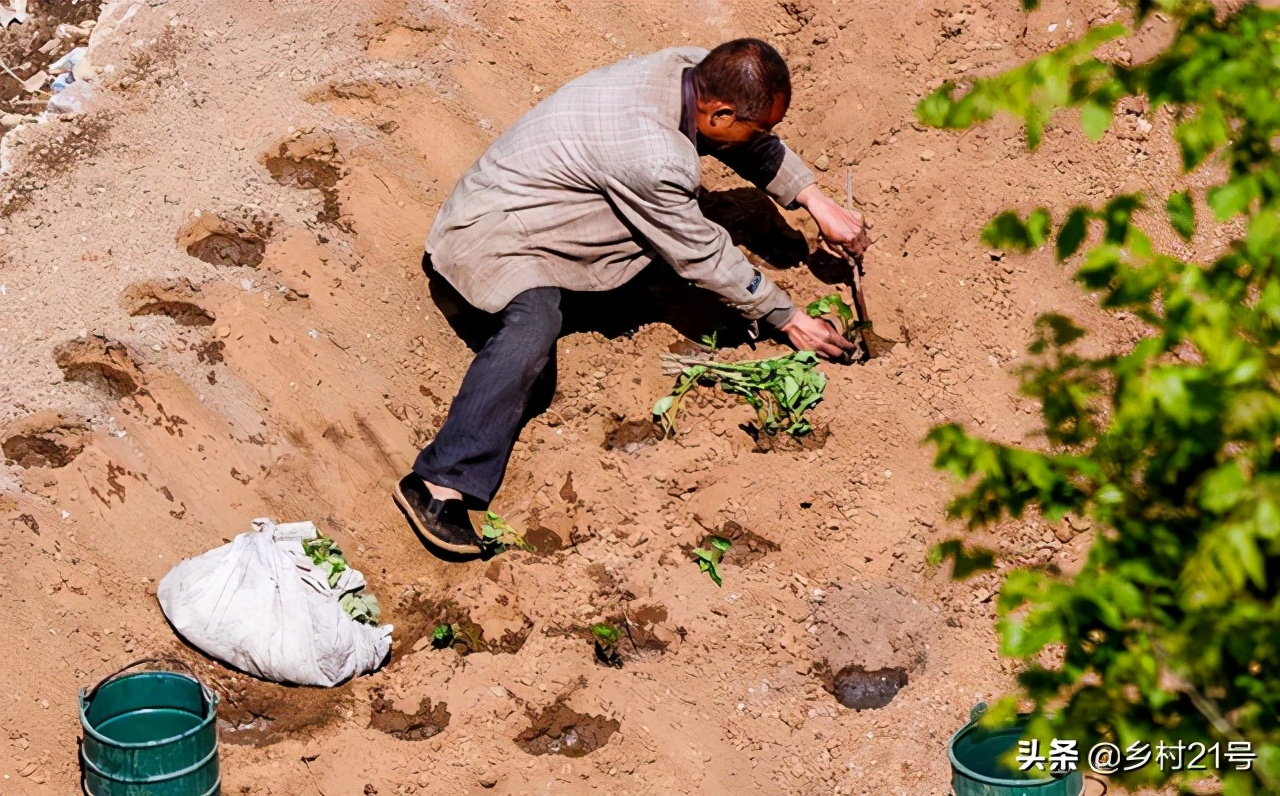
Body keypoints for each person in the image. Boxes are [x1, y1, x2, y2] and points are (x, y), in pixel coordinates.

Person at [395, 38, 869, 555]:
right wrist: (790, 318)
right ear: (719, 112)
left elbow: (747, 141)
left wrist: (815, 200)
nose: (762, 138)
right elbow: (703, 254)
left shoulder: (693, 70)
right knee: (534, 327)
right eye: (758, 128)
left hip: (539, 198)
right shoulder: (652, 154)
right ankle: (439, 483)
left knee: (654, 247)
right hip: (495, 233)